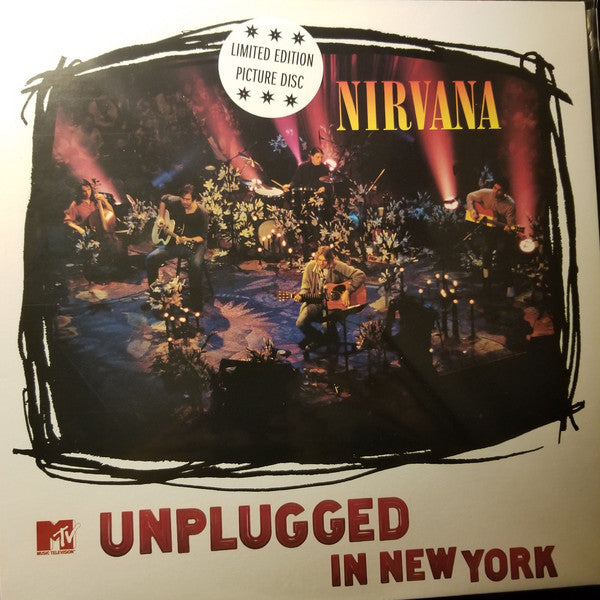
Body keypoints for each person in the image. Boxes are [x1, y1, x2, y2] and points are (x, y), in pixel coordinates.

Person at [146, 184, 210, 311]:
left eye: (188, 200)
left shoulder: (202, 213)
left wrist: (188, 239)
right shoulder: (177, 201)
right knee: (151, 258)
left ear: (194, 199)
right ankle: (155, 298)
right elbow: (163, 199)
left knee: (195, 265)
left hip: (196, 243)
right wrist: (161, 217)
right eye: (183, 199)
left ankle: (196, 303)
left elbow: (202, 237)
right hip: (177, 241)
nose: (184, 202)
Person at [295, 246, 366, 351]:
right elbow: (305, 289)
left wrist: (348, 291)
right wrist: (301, 296)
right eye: (319, 260)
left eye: (324, 261)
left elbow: (360, 275)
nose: (321, 263)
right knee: (300, 322)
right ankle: (319, 339)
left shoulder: (338, 266)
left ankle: (333, 342)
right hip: (316, 302)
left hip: (335, 303)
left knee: (326, 324)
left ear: (330, 260)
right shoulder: (310, 267)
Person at [465, 176, 518, 297]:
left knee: (503, 254)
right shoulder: (485, 193)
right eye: (494, 188)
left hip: (501, 231)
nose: (495, 191)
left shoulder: (510, 205)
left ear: (505, 192)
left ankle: (509, 285)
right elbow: (470, 196)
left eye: (499, 190)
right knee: (486, 252)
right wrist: (472, 210)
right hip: (488, 229)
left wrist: (509, 229)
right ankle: (486, 283)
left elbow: (511, 227)